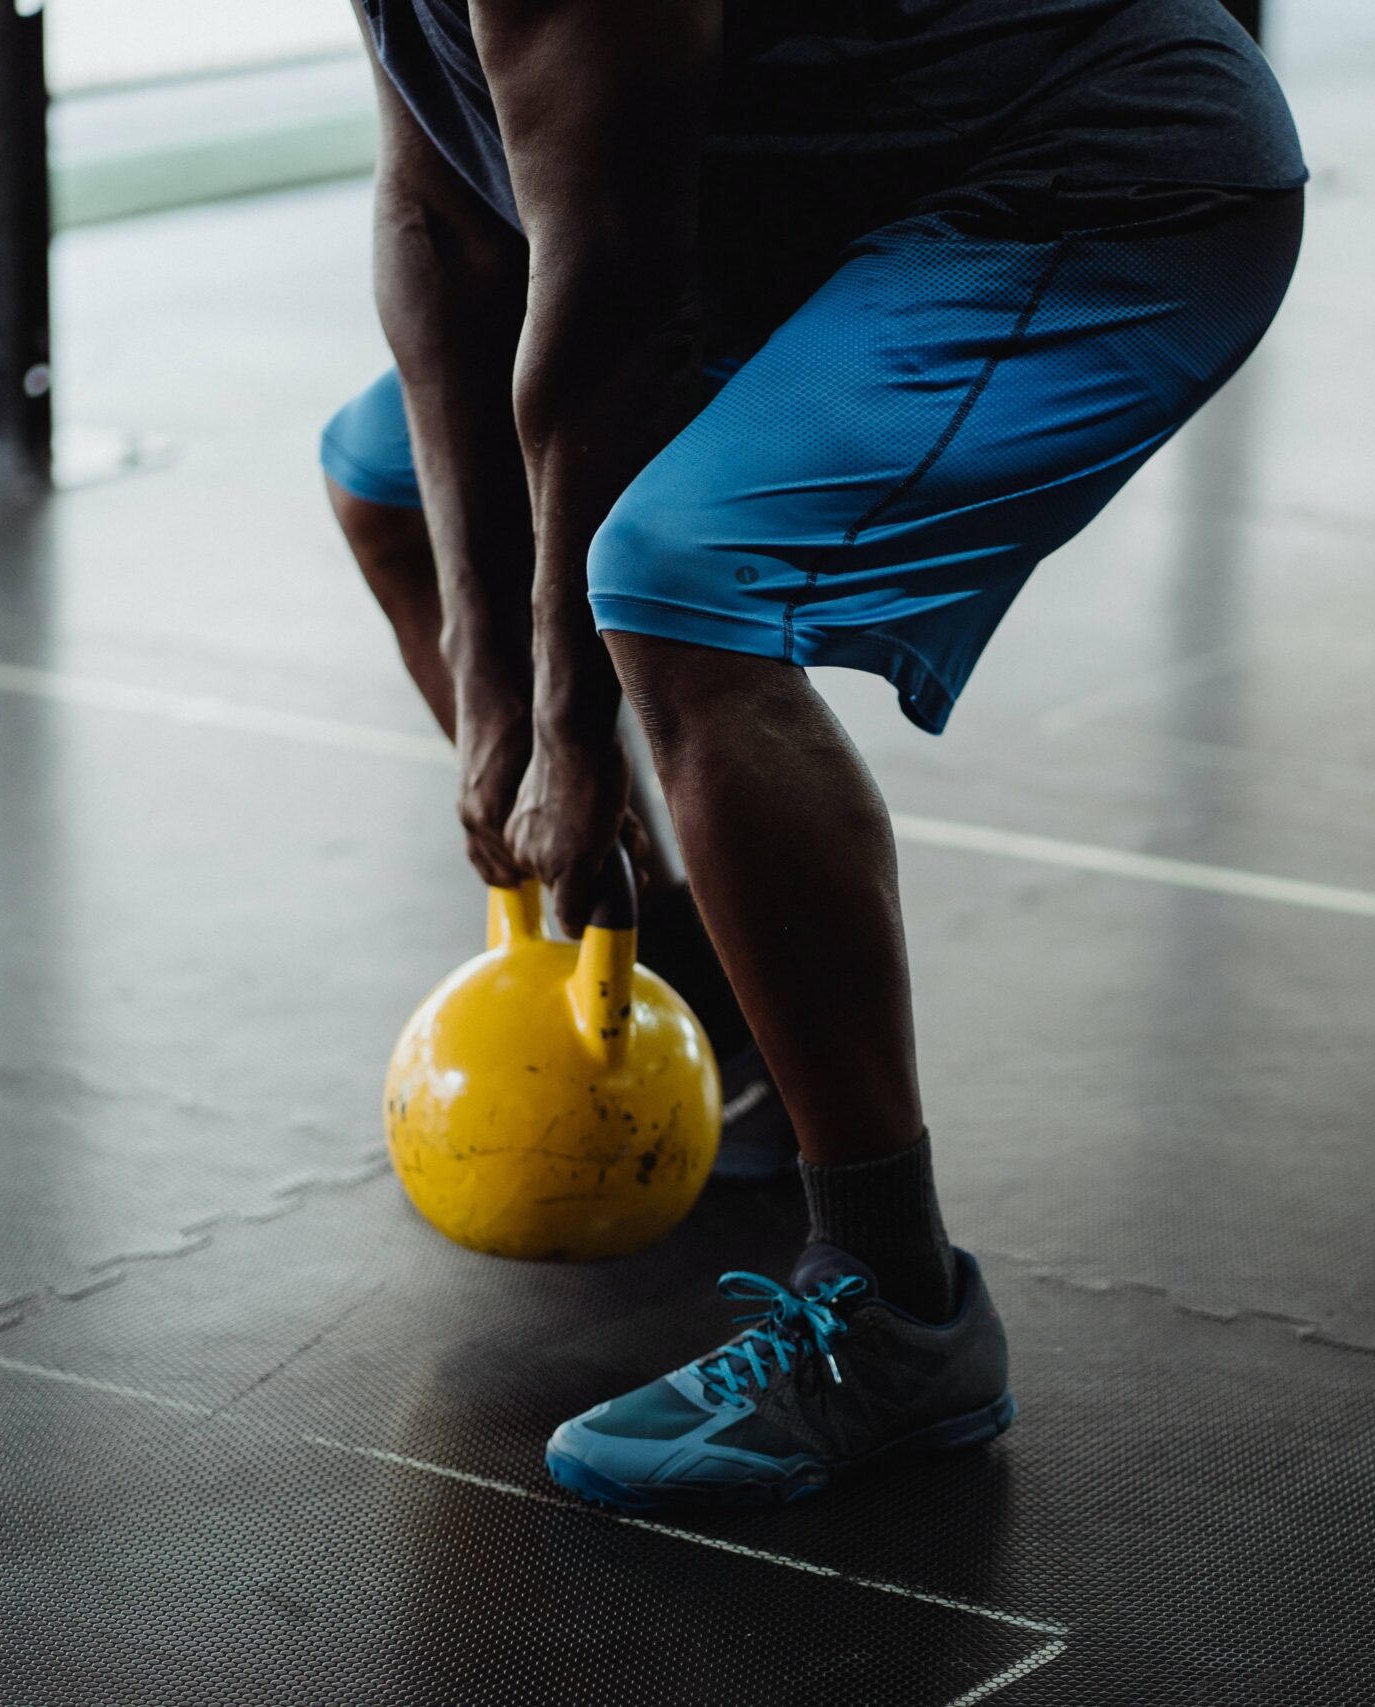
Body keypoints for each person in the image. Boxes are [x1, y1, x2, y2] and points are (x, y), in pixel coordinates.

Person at [321, 0, 1305, 1511]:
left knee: (681, 580)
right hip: (810, 220)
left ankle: (899, 1309)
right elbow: (437, 221)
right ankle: (737, 1054)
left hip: (1097, 188)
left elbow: (609, 303)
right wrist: (490, 669)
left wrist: (567, 721)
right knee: (391, 475)